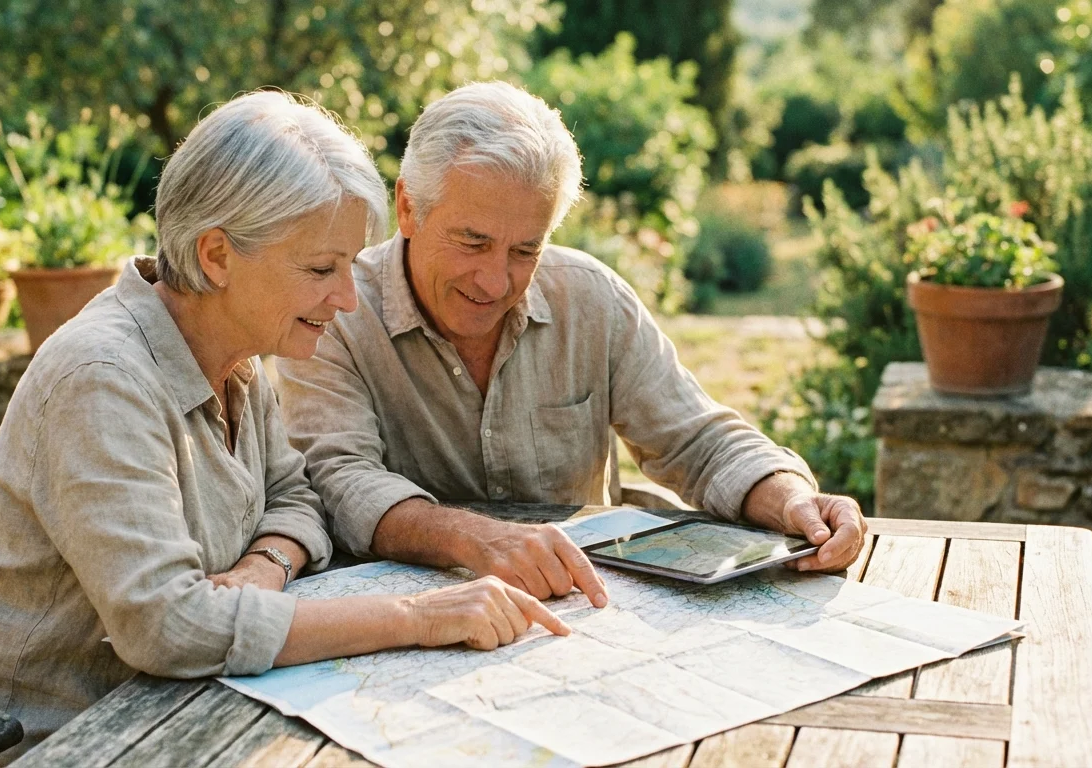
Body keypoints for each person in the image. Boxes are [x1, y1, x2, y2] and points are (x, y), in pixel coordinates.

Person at [0, 91, 569, 766]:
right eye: (321, 269)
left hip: (180, 710)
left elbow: (297, 499)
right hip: (49, 744)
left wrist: (264, 565)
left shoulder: (233, 356)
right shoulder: (101, 378)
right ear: (216, 255)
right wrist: (418, 617)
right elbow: (168, 625)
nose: (347, 298)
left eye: (350, 266)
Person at [277, 82, 868, 609]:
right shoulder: (336, 311)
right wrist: (477, 540)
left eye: (524, 251)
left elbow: (699, 441)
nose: (495, 281)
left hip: (584, 615)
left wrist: (793, 502)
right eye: (473, 242)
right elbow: (339, 478)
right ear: (408, 207)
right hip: (413, 620)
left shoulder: (590, 297)